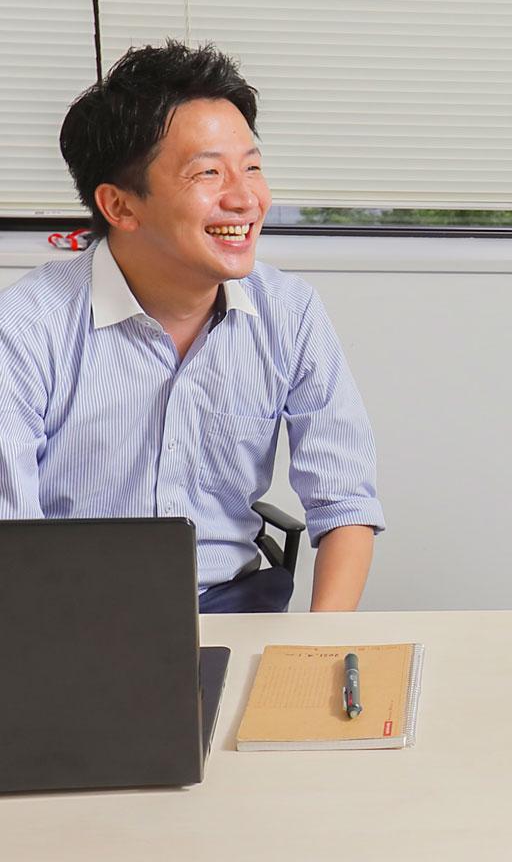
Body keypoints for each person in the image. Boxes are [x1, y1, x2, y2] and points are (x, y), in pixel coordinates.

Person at [0, 41, 384, 612]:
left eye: (251, 167)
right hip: (72, 615)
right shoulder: (25, 328)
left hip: (235, 604)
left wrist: (319, 644)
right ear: (120, 206)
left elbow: (346, 504)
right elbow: (11, 539)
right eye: (208, 172)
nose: (245, 198)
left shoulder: (289, 312)